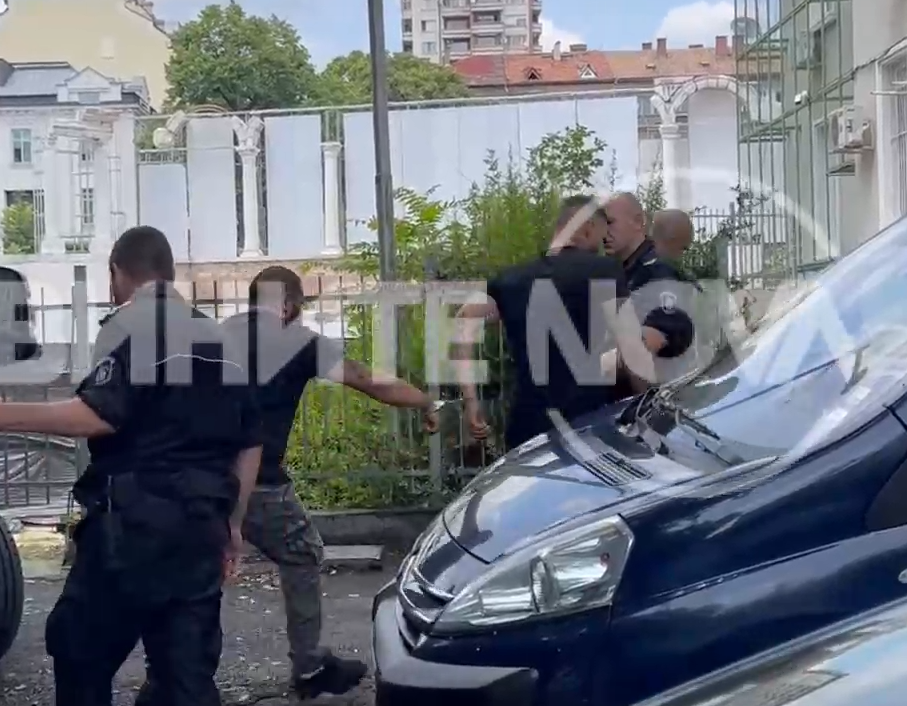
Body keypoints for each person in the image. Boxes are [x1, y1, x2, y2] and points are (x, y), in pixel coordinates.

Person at [0, 225, 259, 706]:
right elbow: (250, 444)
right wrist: (233, 525)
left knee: (80, 651)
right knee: (186, 676)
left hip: (133, 530)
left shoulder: (134, 329)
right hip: (201, 529)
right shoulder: (223, 342)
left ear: (117, 272)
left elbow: (97, 415)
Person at [213, 266, 440, 698]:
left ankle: (180, 673)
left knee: (202, 565)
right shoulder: (298, 342)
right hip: (257, 479)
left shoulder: (220, 335)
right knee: (302, 552)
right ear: (288, 306)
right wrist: (426, 401)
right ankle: (309, 665)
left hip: (199, 474)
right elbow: (368, 381)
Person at [454, 195, 649, 448]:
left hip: (528, 429)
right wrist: (646, 403)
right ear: (588, 227)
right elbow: (631, 348)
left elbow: (464, 320)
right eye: (600, 237)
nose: (600, 247)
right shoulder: (604, 271)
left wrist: (471, 402)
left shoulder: (512, 279)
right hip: (589, 425)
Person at [604, 192, 697, 378]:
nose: (603, 232)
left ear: (638, 222)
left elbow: (650, 341)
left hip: (661, 391)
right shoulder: (624, 272)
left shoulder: (657, 273)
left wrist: (591, 368)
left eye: (610, 222)